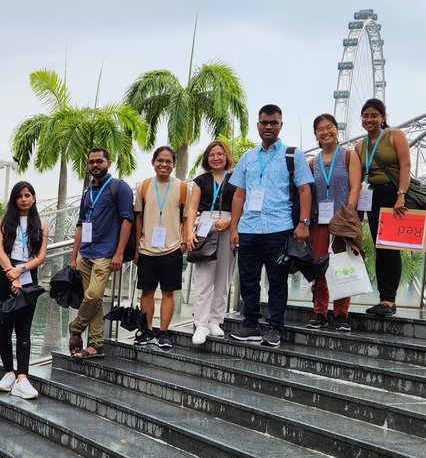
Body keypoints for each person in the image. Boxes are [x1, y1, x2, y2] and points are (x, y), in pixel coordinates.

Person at [228, 105, 313, 347]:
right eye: (264, 122)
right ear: (258, 125)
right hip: (248, 229)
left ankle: (274, 327)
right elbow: (239, 195)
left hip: (279, 227)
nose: (268, 127)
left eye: (273, 123)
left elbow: (304, 189)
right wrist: (234, 228)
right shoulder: (247, 157)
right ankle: (250, 323)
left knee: (277, 280)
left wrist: (303, 223)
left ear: (280, 125)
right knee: (248, 279)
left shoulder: (292, 155)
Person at [69, 147, 134, 359]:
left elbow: (127, 220)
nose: (95, 165)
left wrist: (119, 253)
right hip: (85, 253)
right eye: (91, 162)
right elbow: (80, 225)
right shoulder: (87, 192)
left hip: (106, 253)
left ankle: (75, 328)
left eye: (99, 161)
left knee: (93, 295)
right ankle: (96, 344)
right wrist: (73, 256)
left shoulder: (119, 187)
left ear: (108, 163)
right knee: (94, 301)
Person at [353, 98, 411, 317]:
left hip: (391, 194)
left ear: (383, 117)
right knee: (379, 248)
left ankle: (390, 300)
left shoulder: (395, 135)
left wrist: (401, 196)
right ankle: (382, 299)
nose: (370, 119)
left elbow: (405, 165)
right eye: (366, 116)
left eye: (374, 115)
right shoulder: (360, 145)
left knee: (390, 247)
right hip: (371, 195)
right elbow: (358, 176)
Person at [0, 181, 48, 400]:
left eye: (28, 195)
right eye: (20, 196)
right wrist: (11, 273)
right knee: (5, 326)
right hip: (4, 275)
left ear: (33, 198)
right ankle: (8, 371)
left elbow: (41, 256)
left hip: (28, 274)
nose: (24, 199)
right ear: (14, 199)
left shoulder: (42, 224)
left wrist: (21, 271)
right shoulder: (5, 221)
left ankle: (22, 377)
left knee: (24, 329)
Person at [307, 114, 362, 331]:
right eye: (320, 129)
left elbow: (355, 186)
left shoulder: (349, 156)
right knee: (320, 266)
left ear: (336, 130)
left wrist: (347, 212)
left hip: (342, 220)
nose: (325, 132)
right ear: (316, 134)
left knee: (344, 265)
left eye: (329, 127)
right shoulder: (313, 163)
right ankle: (319, 311)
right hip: (320, 221)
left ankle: (341, 314)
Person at [133, 146, 189, 349]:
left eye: (168, 161)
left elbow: (186, 218)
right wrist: (137, 245)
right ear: (153, 162)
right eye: (160, 160)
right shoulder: (144, 186)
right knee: (146, 292)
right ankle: (147, 331)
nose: (164, 164)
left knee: (168, 292)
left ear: (173, 164)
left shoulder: (183, 187)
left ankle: (163, 332)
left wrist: (183, 243)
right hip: (147, 249)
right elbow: (138, 216)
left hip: (172, 248)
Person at [184, 139, 236, 345]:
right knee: (204, 277)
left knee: (224, 276)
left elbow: (243, 204)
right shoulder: (200, 180)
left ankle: (216, 320)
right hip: (205, 224)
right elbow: (191, 209)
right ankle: (201, 323)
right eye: (212, 154)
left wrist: (231, 221)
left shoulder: (235, 179)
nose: (216, 158)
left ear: (226, 157)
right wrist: (189, 232)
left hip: (229, 225)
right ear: (207, 158)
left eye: (220, 154)